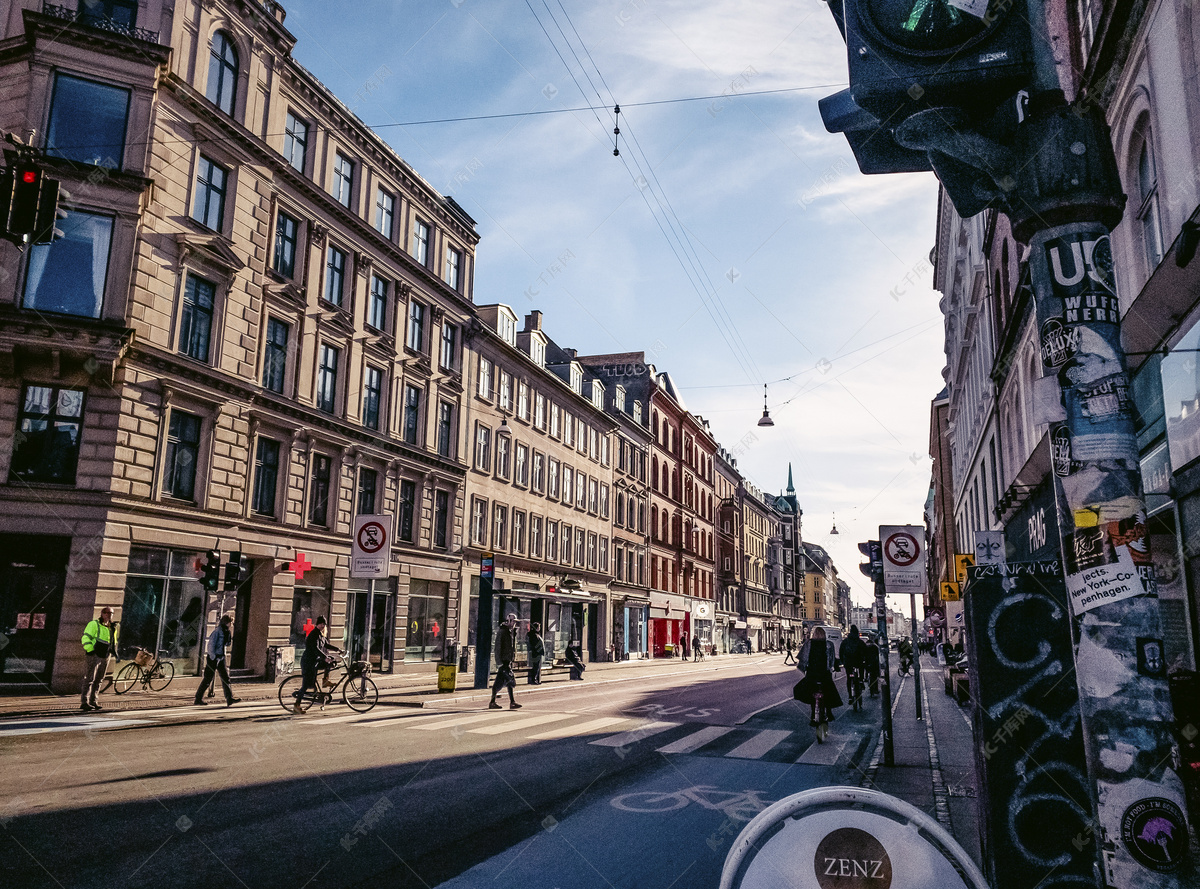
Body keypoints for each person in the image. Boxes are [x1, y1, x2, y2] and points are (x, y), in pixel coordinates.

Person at [793, 627, 842, 725]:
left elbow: (802, 658)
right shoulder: (829, 644)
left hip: (812, 674)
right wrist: (834, 668)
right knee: (829, 691)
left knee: (810, 692)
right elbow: (832, 660)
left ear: (813, 634)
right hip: (825, 674)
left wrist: (804, 669)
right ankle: (829, 712)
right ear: (824, 635)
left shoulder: (808, 644)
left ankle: (813, 716)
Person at [294, 615, 339, 713]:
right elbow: (315, 649)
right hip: (308, 662)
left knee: (332, 662)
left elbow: (326, 645)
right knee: (305, 685)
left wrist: (338, 649)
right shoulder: (314, 634)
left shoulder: (321, 635)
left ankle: (325, 681)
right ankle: (297, 705)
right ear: (318, 624)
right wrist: (325, 657)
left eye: (324, 624)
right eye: (321, 624)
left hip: (315, 661)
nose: (323, 626)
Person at [195, 615, 240, 707]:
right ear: (226, 622)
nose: (231, 624)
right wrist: (213, 657)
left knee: (225, 678)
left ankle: (229, 698)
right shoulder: (217, 632)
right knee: (208, 678)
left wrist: (228, 636)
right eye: (230, 622)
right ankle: (198, 698)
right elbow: (211, 645)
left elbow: (226, 644)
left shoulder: (225, 632)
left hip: (221, 657)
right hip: (214, 658)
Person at [80, 606, 115, 711]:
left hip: (105, 655)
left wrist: (112, 651)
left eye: (111, 613)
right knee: (90, 678)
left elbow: (113, 641)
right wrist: (90, 650)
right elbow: (85, 637)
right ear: (102, 613)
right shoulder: (94, 624)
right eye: (107, 613)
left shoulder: (112, 626)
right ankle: (84, 702)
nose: (109, 615)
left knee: (99, 679)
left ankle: (94, 701)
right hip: (94, 654)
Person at [489, 614, 522, 709]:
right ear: (508, 621)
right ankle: (508, 702)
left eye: (515, 622)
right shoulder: (503, 632)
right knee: (508, 681)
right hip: (504, 661)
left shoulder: (510, 632)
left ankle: (499, 702)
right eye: (513, 621)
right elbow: (498, 647)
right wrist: (499, 661)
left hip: (507, 660)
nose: (515, 623)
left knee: (507, 681)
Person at [839, 625, 866, 703]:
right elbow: (865, 651)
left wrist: (842, 661)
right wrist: (865, 660)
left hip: (848, 663)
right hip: (858, 662)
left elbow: (841, 651)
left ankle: (850, 697)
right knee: (861, 668)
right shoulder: (860, 642)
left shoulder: (845, 641)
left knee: (849, 678)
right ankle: (861, 680)